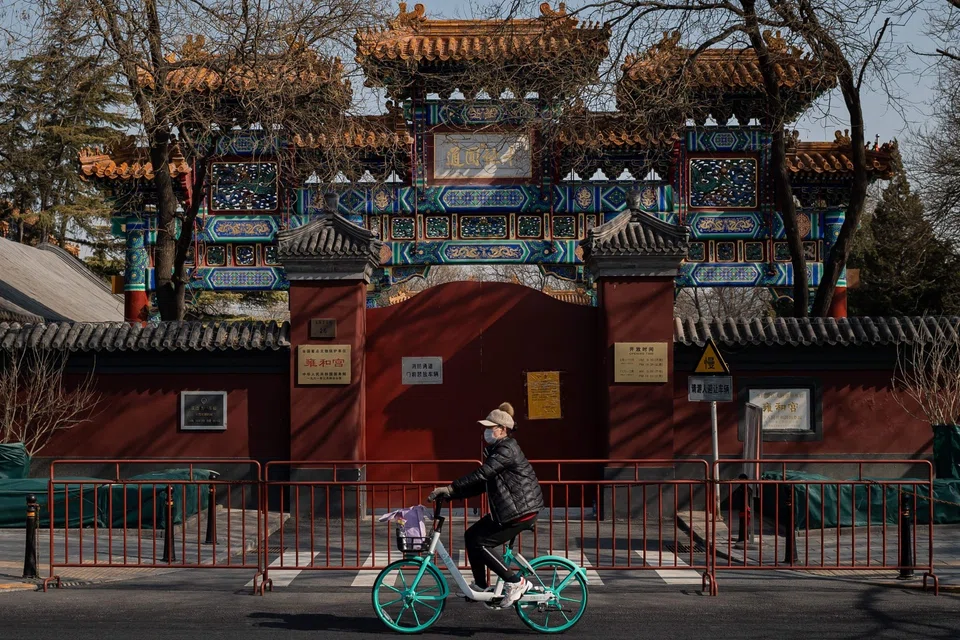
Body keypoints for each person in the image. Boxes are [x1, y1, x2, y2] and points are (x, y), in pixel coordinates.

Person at [427, 402, 544, 608]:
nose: (486, 432)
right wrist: (451, 495)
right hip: (510, 509)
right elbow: (482, 483)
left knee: (481, 542)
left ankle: (515, 582)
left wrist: (451, 487)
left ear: (502, 430)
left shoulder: (506, 449)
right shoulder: (497, 450)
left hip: (520, 511)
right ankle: (480, 587)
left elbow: (482, 474)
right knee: (471, 536)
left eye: (490, 428)